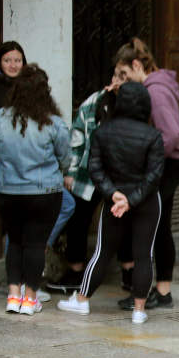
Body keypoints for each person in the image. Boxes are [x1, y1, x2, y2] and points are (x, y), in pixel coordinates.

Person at [59, 79, 162, 322]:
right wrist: (132, 200)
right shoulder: (153, 135)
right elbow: (154, 176)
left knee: (102, 252)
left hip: (114, 201)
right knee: (144, 254)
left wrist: (114, 194)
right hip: (146, 202)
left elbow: (95, 169)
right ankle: (139, 310)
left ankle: (82, 300)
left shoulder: (103, 132)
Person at [112, 39, 179, 311]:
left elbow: (172, 134)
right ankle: (154, 288)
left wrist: (149, 158)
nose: (122, 80)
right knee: (157, 224)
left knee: (157, 225)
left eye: (124, 74)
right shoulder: (153, 87)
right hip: (165, 163)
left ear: (136, 65)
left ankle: (161, 290)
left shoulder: (155, 91)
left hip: (167, 164)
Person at [0, 63, 68, 316]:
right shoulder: (53, 123)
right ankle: (30, 298)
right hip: (43, 192)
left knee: (14, 241)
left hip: (7, 191)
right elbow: (65, 157)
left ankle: (13, 295)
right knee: (35, 244)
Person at [55, 74, 118, 297]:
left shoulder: (134, 102)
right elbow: (77, 139)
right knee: (78, 219)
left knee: (125, 220)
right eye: (116, 76)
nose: (118, 82)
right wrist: (70, 173)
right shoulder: (92, 103)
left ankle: (129, 273)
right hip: (88, 173)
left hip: (120, 175)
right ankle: (75, 272)